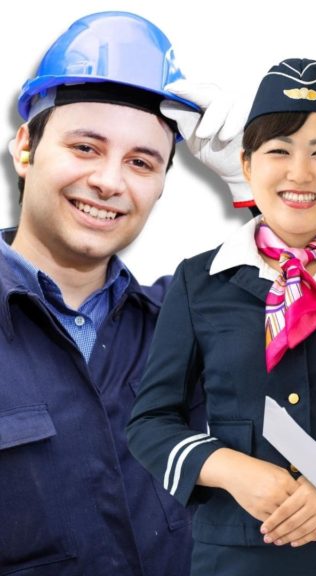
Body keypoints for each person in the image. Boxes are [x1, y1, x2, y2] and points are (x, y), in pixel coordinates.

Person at [126, 58, 316, 575]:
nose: (299, 173)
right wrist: (232, 469)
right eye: (278, 151)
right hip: (233, 557)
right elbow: (151, 421)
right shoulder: (200, 281)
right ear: (246, 165)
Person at [0, 11, 202, 576]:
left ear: (162, 185)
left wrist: (257, 181)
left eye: (141, 162)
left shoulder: (185, 324)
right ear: (25, 147)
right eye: (86, 148)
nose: (111, 182)